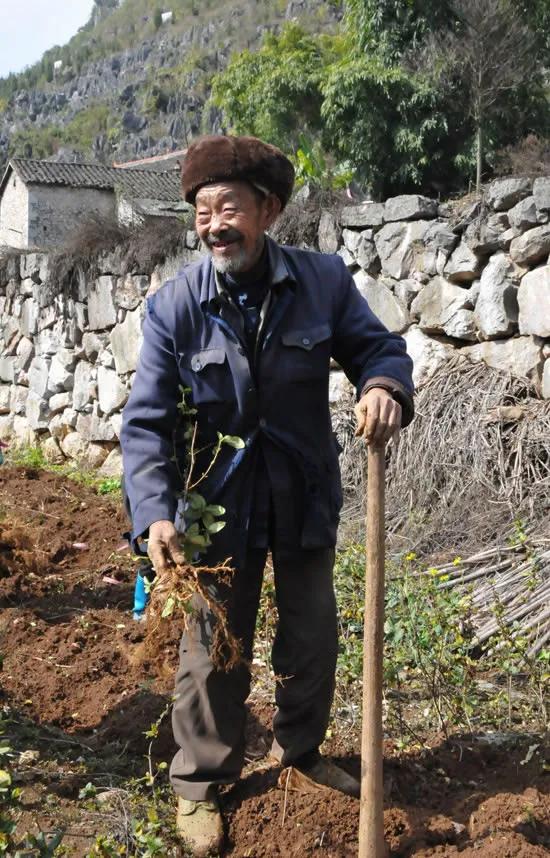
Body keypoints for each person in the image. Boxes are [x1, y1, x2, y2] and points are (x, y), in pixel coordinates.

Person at [121, 134, 414, 855]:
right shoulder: (175, 309)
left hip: (303, 493)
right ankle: (200, 783)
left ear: (269, 210)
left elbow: (380, 350)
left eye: (230, 209)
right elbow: (147, 423)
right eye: (202, 212)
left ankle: (301, 753)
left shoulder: (322, 283)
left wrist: (383, 388)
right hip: (215, 504)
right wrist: (154, 513)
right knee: (212, 649)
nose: (215, 225)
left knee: (312, 633)